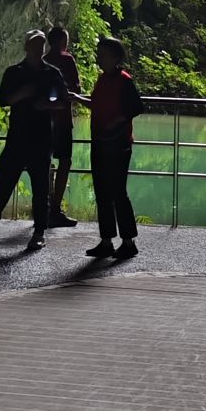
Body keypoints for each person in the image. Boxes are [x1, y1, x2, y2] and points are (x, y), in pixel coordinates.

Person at [0, 31, 69, 250]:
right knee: (4, 182)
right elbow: (3, 100)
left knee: (41, 187)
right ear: (26, 46)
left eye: (41, 44)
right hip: (18, 136)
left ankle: (39, 232)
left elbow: (63, 100)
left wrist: (47, 104)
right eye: (34, 44)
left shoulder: (52, 73)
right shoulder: (14, 72)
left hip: (41, 138)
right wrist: (22, 94)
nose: (38, 48)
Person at [83, 34, 143, 264]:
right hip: (99, 141)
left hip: (118, 144)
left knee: (118, 192)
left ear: (116, 57)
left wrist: (115, 122)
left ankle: (128, 242)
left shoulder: (124, 80)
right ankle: (106, 240)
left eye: (104, 54)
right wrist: (77, 99)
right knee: (102, 192)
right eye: (99, 54)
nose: (100, 58)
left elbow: (136, 107)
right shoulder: (102, 79)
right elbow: (97, 104)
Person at [45, 23, 82, 227]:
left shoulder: (43, 61)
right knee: (65, 162)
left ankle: (45, 205)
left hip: (44, 121)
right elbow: (76, 88)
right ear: (61, 41)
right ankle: (56, 208)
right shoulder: (67, 60)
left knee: (44, 162)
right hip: (63, 120)